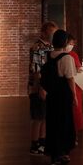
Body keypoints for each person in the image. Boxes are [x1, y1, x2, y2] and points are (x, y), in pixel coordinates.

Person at [42, 29, 77, 165]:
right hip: (63, 94)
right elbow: (70, 78)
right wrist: (74, 96)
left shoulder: (48, 55)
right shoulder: (67, 58)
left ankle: (53, 155)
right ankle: (64, 152)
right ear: (64, 42)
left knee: (52, 122)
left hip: (52, 94)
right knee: (65, 122)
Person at [28, 21, 57, 154]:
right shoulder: (37, 47)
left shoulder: (50, 47)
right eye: (51, 32)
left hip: (48, 86)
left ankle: (43, 141)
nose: (53, 35)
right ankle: (34, 144)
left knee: (46, 116)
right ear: (43, 33)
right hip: (38, 87)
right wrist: (40, 87)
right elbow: (36, 69)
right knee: (38, 117)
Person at [67, 34, 83, 137]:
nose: (71, 46)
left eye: (72, 44)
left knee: (75, 108)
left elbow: (79, 67)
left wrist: (82, 70)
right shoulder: (63, 55)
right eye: (70, 43)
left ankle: (75, 130)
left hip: (76, 83)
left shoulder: (73, 54)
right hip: (70, 83)